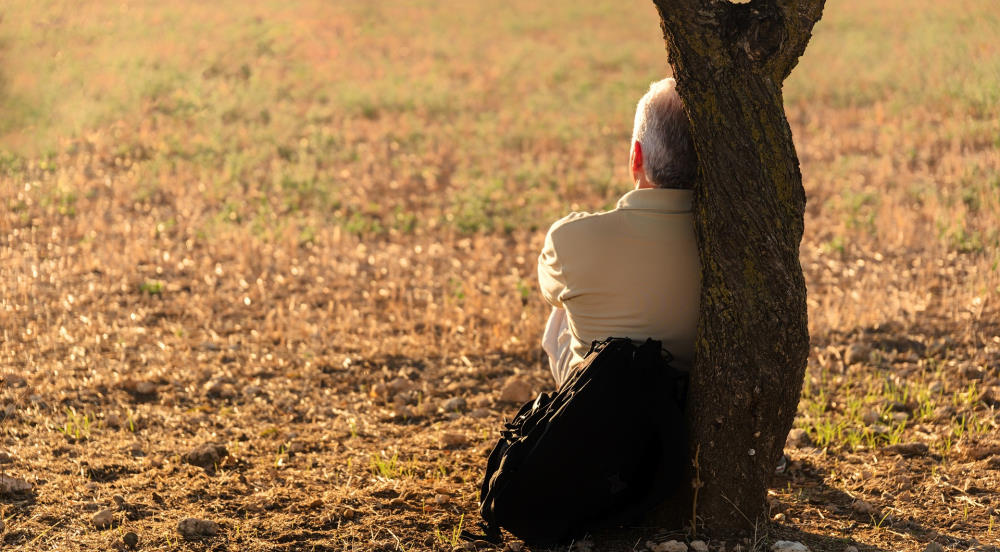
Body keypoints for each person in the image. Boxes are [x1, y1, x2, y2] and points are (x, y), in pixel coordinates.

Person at [538, 78, 701, 387]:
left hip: (598, 410)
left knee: (562, 307)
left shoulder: (569, 239)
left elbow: (548, 291)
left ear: (635, 156)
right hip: (684, 410)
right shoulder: (730, 246)